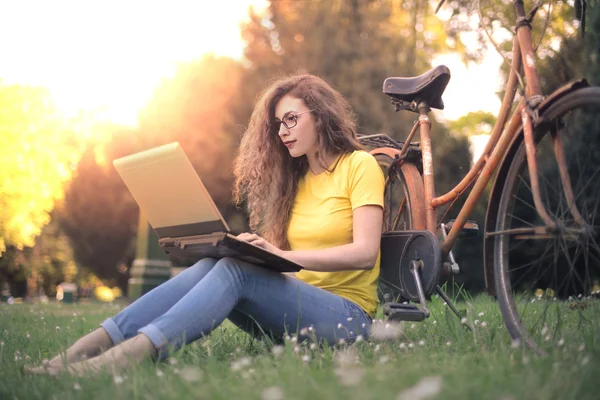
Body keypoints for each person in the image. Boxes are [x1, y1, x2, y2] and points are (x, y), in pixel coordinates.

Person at [25, 74, 385, 376]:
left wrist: (284, 256)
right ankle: (80, 352)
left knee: (235, 270)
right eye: (277, 124)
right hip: (297, 314)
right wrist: (259, 255)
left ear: (320, 115)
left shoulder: (359, 166)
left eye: (291, 119)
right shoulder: (298, 181)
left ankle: (129, 355)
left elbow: (366, 253)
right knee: (221, 262)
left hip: (347, 320)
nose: (282, 131)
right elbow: (292, 275)